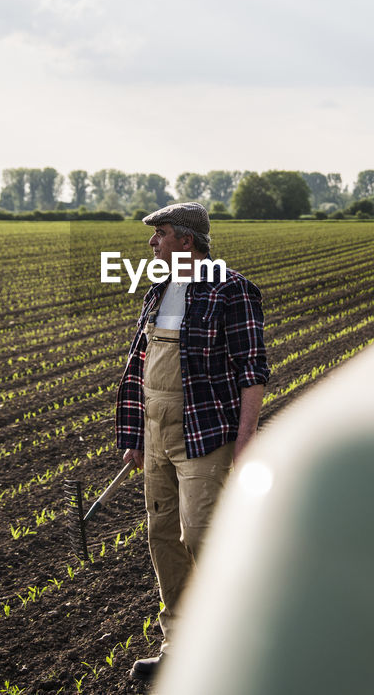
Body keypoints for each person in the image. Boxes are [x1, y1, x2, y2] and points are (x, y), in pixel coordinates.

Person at [113, 201, 269, 682]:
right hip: (157, 431)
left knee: (201, 533)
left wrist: (245, 440)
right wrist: (138, 435)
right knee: (162, 538)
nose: (151, 243)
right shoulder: (159, 291)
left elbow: (252, 372)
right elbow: (142, 371)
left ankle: (239, 639)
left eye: (159, 233)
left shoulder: (232, 290)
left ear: (185, 239)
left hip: (205, 429)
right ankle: (180, 646)